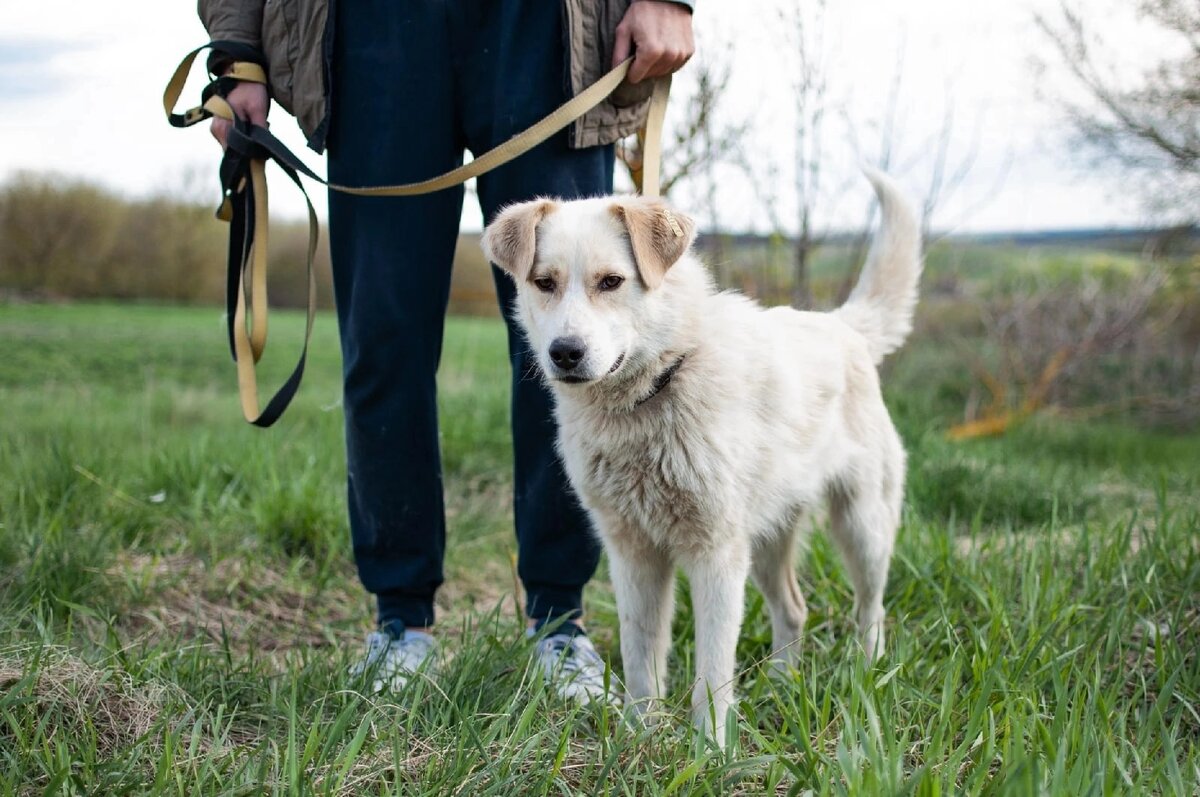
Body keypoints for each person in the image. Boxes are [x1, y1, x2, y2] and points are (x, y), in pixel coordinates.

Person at [199, 0, 696, 699]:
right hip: (372, 31)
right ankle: (400, 620)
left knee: (575, 338)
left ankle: (559, 620)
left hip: (549, 26)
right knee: (383, 340)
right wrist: (237, 50)